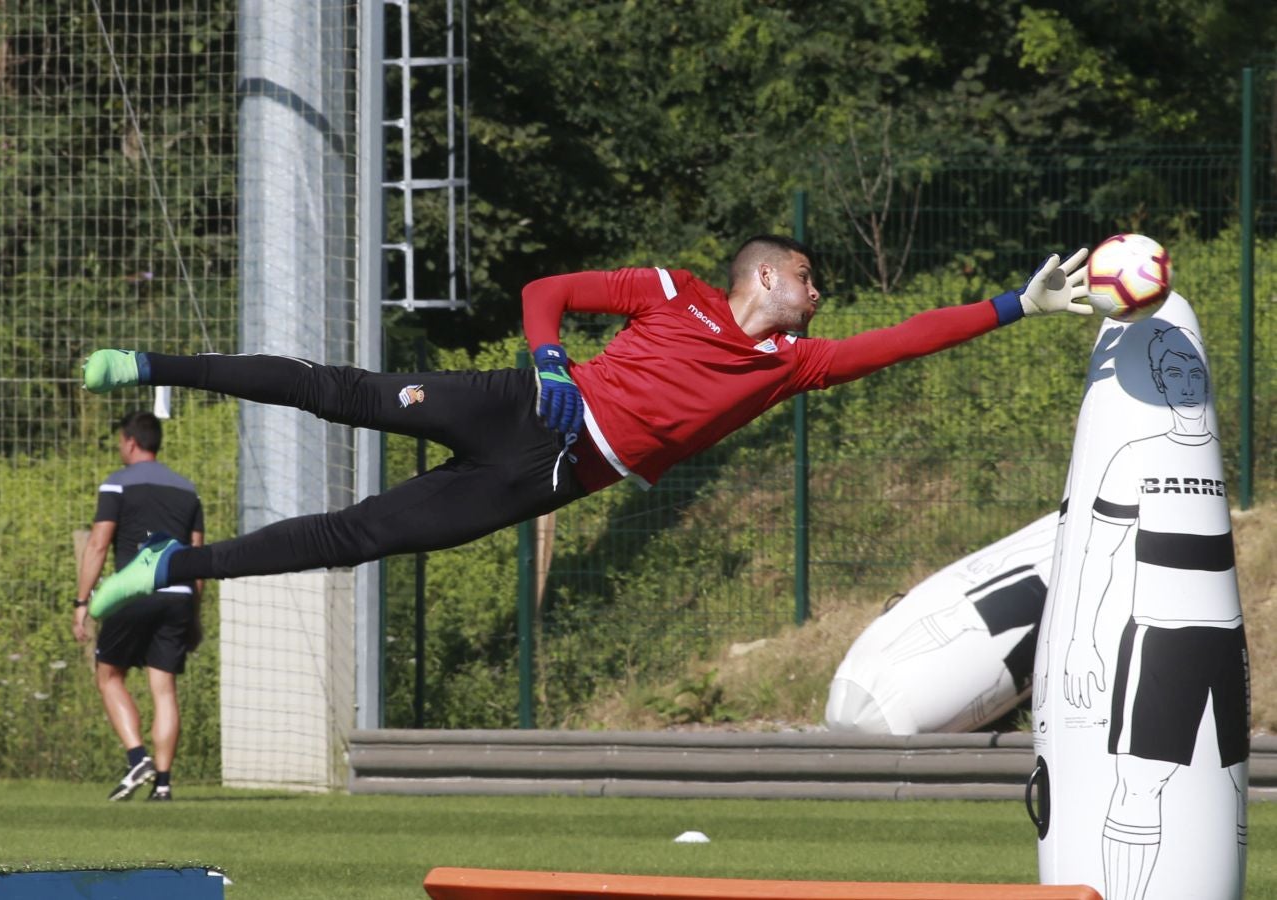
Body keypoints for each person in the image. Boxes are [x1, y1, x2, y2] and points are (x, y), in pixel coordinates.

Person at [81, 235, 1091, 617]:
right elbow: (546, 288)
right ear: (769, 277)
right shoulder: (674, 291)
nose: (821, 295)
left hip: (549, 478)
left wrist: (1016, 304)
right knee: (340, 389)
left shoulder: (793, 366)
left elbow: (909, 338)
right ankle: (151, 364)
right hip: (522, 403)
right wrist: (550, 359)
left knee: (361, 537)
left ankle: (170, 570)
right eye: (811, 279)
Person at [1061, 325, 1247, 898]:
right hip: (1163, 640)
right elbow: (1099, 551)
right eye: (1177, 375)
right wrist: (1080, 641)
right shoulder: (1134, 457)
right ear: (1162, 384)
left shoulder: (1214, 464)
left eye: (1197, 374)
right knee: (1140, 782)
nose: (1189, 384)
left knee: (1233, 789)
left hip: (1227, 641)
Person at [74, 410, 205, 801]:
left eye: (119, 442)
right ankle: (163, 786)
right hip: (180, 595)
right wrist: (195, 612)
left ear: (130, 442)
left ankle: (137, 759)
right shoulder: (188, 490)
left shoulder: (117, 485)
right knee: (163, 687)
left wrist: (82, 601)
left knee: (109, 674)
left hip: (134, 592)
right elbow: (197, 555)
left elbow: (98, 544)